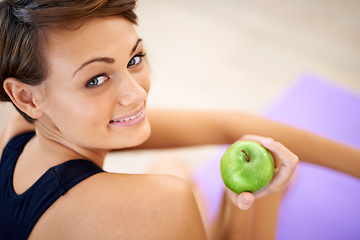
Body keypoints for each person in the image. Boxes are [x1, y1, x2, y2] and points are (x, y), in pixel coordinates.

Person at [0, 1, 358, 239]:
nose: (137, 94)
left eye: (134, 58)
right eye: (96, 79)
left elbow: (228, 125)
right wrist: (252, 199)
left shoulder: (19, 131)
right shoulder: (162, 204)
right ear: (26, 96)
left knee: (171, 164)